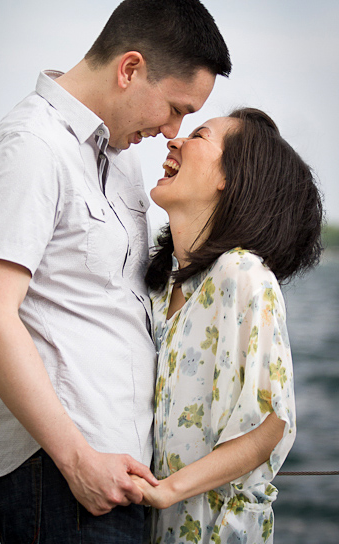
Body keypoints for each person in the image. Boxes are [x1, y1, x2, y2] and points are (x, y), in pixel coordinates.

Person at [0, 0, 232, 542]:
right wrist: (77, 459)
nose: (173, 131)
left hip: (116, 476)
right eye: (177, 109)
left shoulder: (121, 161)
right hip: (61, 477)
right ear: (130, 69)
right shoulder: (30, 147)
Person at [133, 108, 322, 542]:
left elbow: (270, 424)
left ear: (231, 179)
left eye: (198, 135)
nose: (173, 140)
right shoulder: (160, 289)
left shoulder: (242, 274)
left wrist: (167, 491)